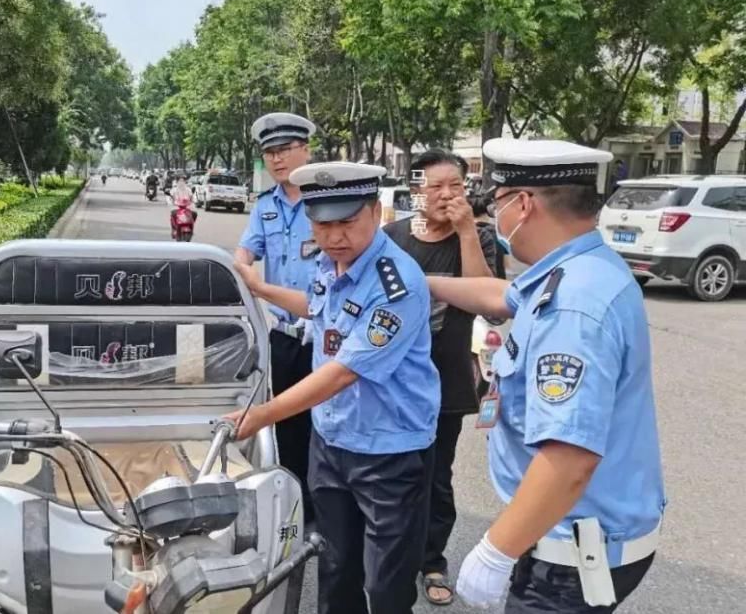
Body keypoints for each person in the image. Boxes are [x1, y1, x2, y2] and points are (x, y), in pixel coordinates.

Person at [427, 139, 665, 613]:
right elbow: (501, 296)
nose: (493, 215)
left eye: (495, 203)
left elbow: (570, 458)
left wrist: (496, 550)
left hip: (571, 557)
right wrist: (421, 282)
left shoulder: (573, 306)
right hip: (583, 533)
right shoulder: (579, 266)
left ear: (523, 203)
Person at [229, 161, 440, 614]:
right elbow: (316, 307)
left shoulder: (395, 284)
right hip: (331, 441)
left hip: (388, 451)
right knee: (335, 566)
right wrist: (261, 289)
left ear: (377, 213)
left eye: (346, 222)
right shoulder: (331, 262)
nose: (334, 236)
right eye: (322, 224)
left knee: (385, 584)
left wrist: (263, 414)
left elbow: (345, 370)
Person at [383, 149, 497, 607]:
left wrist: (468, 230)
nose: (447, 195)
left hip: (446, 378)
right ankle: (392, 552)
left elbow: (487, 300)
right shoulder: (391, 237)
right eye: (436, 186)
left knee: (435, 474)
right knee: (391, 470)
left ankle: (431, 559)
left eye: (456, 185)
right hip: (392, 377)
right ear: (418, 191)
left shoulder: (479, 238)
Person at [234, 112, 317, 522]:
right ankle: (295, 504)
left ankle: (324, 508)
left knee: (325, 425)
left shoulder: (326, 200)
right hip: (283, 336)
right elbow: (245, 254)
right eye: (269, 153)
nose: (277, 160)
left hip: (326, 335)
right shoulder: (266, 207)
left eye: (285, 150)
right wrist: (239, 264)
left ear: (306, 149)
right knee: (284, 421)